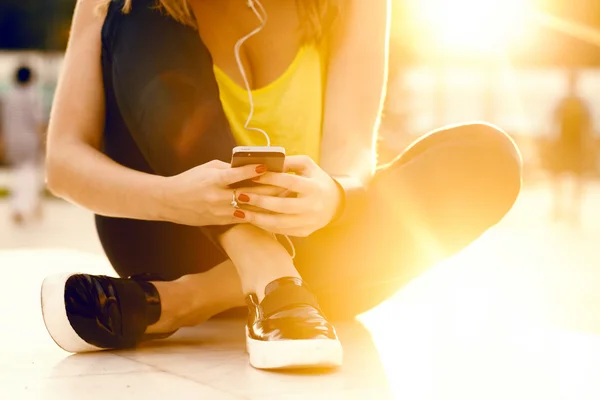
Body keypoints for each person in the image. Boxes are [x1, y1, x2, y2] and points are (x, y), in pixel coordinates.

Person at [40, 0, 522, 370]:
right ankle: (263, 272)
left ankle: (179, 302)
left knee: (488, 157)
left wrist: (333, 197)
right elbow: (62, 163)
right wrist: (176, 198)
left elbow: (351, 154)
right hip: (170, 238)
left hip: (315, 259)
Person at [0, 65, 45, 225]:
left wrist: (3, 141)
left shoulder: (8, 96)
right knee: (30, 174)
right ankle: (24, 207)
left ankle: (23, 206)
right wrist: (43, 141)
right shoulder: (33, 96)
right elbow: (38, 122)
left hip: (13, 140)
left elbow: (3, 121)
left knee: (18, 173)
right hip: (30, 140)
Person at [548, 70, 593, 225]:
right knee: (559, 176)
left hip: (574, 145)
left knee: (575, 177)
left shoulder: (580, 104)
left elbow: (587, 126)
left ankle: (571, 209)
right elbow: (553, 122)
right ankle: (561, 207)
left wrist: (588, 145)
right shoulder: (566, 103)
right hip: (566, 144)